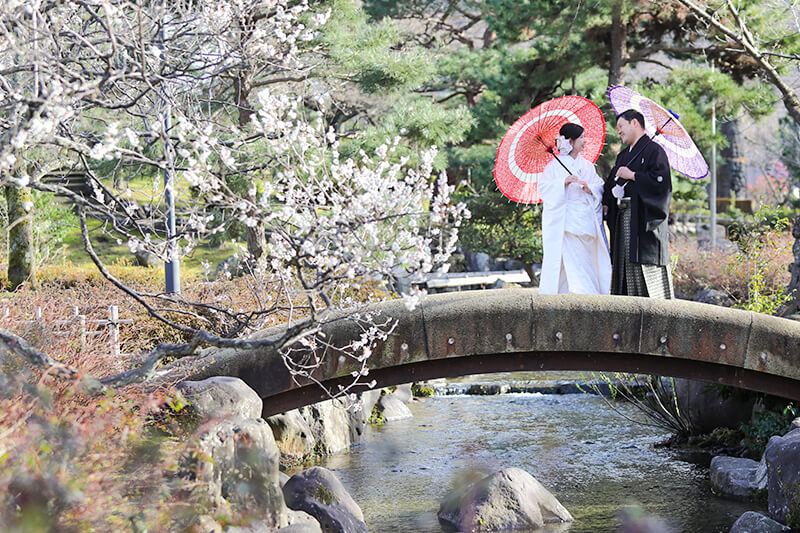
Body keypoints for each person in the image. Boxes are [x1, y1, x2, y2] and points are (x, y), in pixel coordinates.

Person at [602, 109, 674, 298]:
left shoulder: (654, 151)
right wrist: (606, 202)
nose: (618, 131)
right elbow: (611, 183)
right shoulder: (624, 155)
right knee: (623, 263)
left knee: (642, 267)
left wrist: (634, 176)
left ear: (634, 123)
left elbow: (662, 183)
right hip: (623, 216)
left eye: (620, 126)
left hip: (642, 219)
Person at [538, 123, 611, 294]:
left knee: (585, 261)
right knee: (569, 263)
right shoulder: (554, 166)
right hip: (566, 222)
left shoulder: (586, 165)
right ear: (570, 141)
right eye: (582, 138)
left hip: (586, 219)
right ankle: (575, 294)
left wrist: (589, 188)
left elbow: (599, 185)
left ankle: (585, 294)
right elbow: (544, 189)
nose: (585, 141)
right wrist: (562, 182)